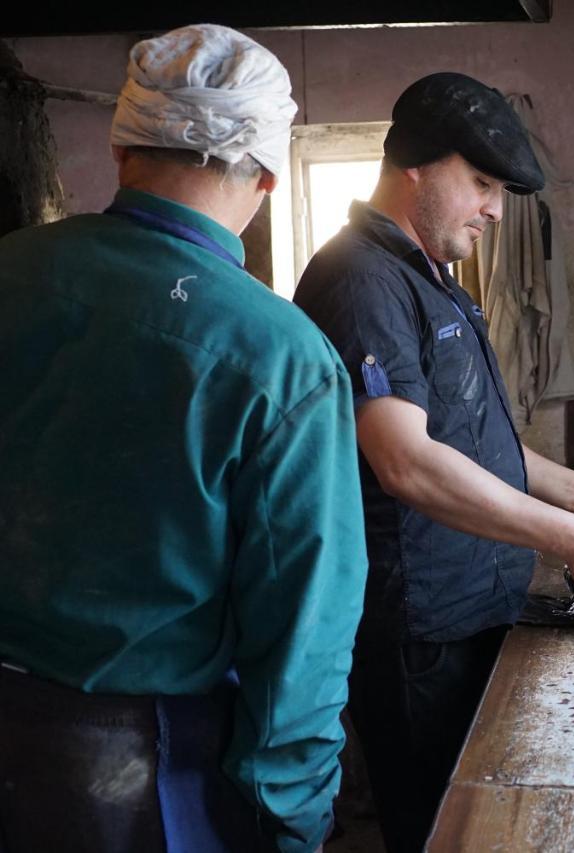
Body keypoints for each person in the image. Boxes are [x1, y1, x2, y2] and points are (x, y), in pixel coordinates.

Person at [0, 24, 366, 853]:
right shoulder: (279, 355)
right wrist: (293, 819)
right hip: (137, 769)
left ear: (122, 146)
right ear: (268, 174)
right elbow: (303, 629)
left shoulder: (13, 269)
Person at [293, 72, 574, 852]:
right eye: (481, 183)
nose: (496, 209)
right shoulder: (361, 280)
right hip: (417, 633)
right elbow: (407, 464)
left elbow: (474, 445)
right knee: (443, 830)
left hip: (473, 615)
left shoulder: (431, 278)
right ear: (416, 167)